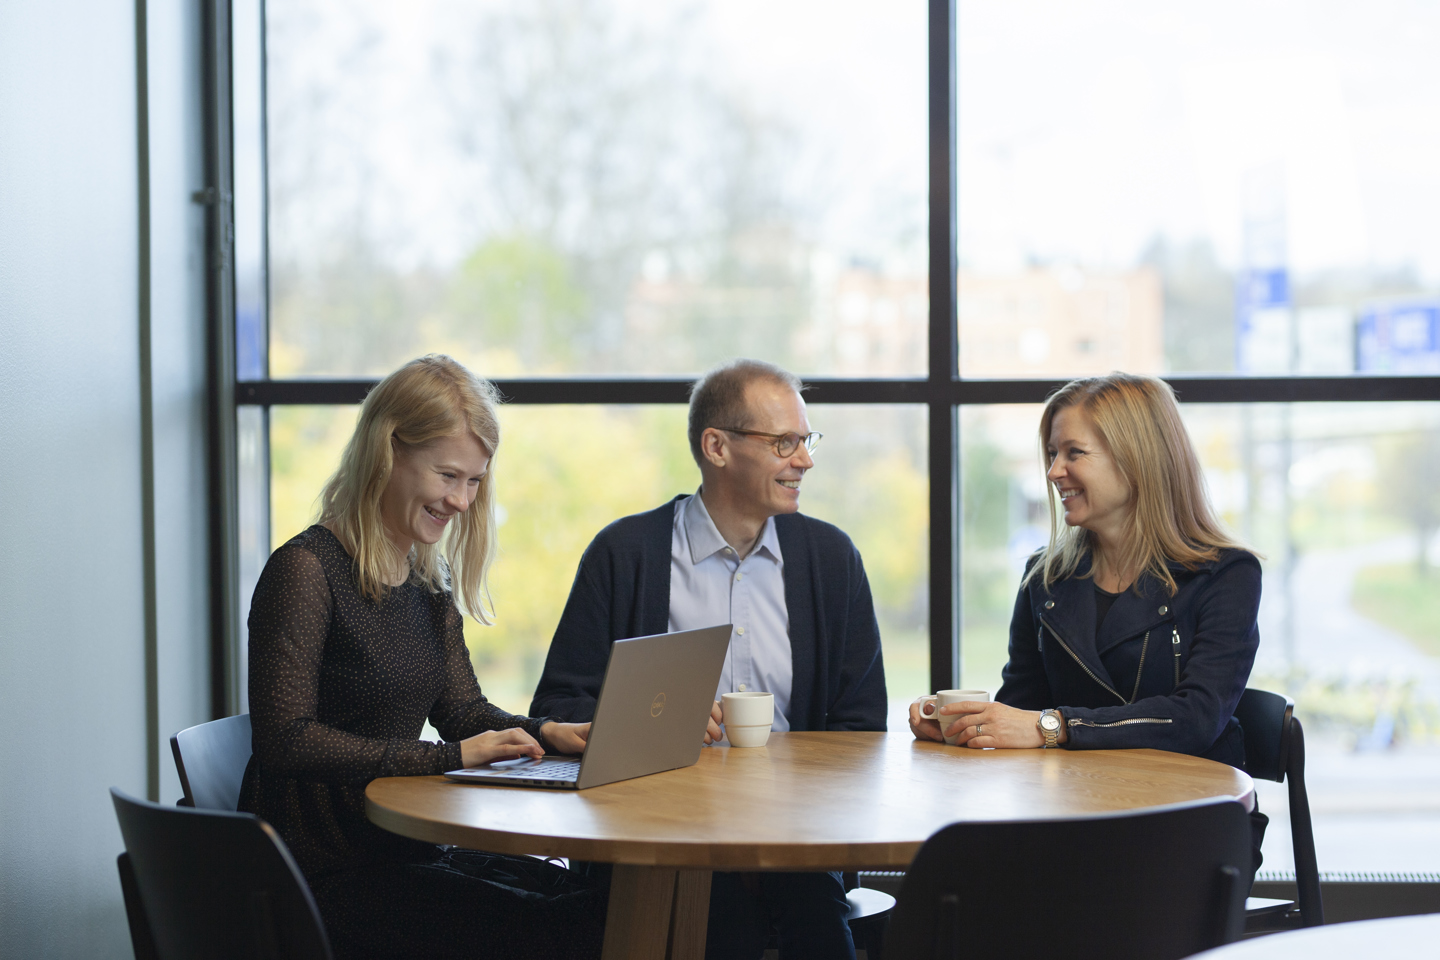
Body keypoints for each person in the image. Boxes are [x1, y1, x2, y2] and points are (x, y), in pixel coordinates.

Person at [239, 355, 605, 960]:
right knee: (566, 929)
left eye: (475, 482)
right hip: (325, 872)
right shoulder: (304, 571)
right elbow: (285, 739)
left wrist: (546, 732)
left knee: (592, 897)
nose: (462, 500)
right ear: (387, 453)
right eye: (448, 476)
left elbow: (461, 710)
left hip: (397, 848)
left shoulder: (425, 584)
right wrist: (447, 758)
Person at [530, 358, 887, 960]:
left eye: (806, 441)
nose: (805, 460)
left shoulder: (831, 560)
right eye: (784, 443)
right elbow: (559, 708)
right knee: (720, 933)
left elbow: (861, 727)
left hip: (797, 845)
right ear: (716, 446)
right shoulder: (625, 554)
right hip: (659, 842)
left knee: (822, 938)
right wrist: (652, 723)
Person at [908, 372, 1268, 872]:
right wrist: (963, 727)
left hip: (1191, 826)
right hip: (1068, 817)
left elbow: (1196, 718)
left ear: (1136, 459)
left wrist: (1055, 727)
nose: (1054, 471)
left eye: (1073, 453)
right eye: (1053, 454)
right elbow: (1022, 709)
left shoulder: (1225, 574)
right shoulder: (1046, 576)